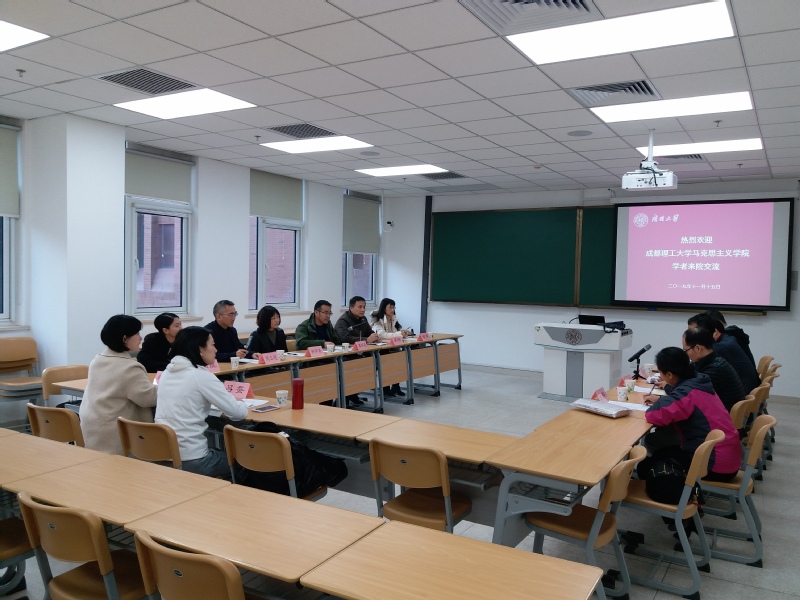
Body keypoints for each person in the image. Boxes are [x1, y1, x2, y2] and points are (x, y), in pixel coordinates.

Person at [155, 326, 248, 477]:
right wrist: (242, 402)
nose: (216, 350)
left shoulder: (167, 372)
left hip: (162, 454)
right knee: (243, 462)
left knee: (218, 449)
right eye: (212, 345)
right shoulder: (200, 375)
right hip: (191, 458)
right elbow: (238, 413)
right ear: (200, 349)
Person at [642, 347, 741, 482]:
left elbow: (654, 415)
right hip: (727, 457)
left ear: (669, 375)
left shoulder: (686, 393)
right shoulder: (699, 382)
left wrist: (661, 401)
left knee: (646, 466)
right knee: (660, 452)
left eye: (660, 372)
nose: (660, 375)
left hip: (714, 465)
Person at [80, 315, 158, 455]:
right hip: (115, 436)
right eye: (137, 334)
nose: (140, 338)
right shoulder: (129, 368)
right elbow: (148, 399)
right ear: (125, 339)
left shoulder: (97, 360)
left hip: (93, 429)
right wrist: (167, 385)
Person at [688, 313, 760, 392]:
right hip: (747, 387)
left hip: (744, 391)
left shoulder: (721, 347)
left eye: (693, 333)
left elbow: (700, 375)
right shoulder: (727, 339)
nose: (690, 337)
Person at [682, 327, 745, 412]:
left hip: (722, 415)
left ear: (698, 348)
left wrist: (669, 386)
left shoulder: (714, 369)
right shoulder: (713, 360)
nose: (686, 354)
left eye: (686, 350)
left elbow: (691, 396)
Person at [371, 297, 411, 397]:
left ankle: (396, 387)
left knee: (401, 359)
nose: (392, 310)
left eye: (394, 307)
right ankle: (385, 389)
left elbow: (397, 331)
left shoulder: (393, 318)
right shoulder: (377, 319)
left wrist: (404, 332)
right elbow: (382, 335)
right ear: (384, 308)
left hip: (392, 348)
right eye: (390, 307)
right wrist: (399, 334)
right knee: (387, 363)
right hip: (380, 350)